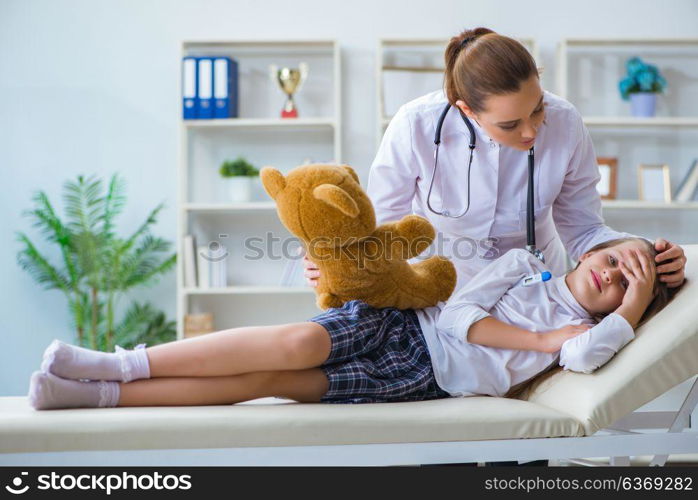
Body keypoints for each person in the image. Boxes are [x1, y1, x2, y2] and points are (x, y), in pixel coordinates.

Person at [28, 237, 672, 416]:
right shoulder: (521, 264)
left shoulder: (593, 331)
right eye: (614, 259)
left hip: (421, 377)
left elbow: (587, 359)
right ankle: (118, 363)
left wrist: (629, 312)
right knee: (300, 340)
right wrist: (537, 342)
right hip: (404, 326)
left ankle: (93, 394)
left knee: (271, 381)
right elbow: (456, 313)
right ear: (589, 250)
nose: (613, 276)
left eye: (627, 281)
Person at [302, 27, 686, 297]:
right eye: (510, 124)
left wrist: (644, 251)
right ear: (466, 110)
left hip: (536, 289)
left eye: (537, 111)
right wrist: (341, 263)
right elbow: (385, 226)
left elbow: (583, 230)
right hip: (442, 286)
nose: (531, 132)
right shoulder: (415, 125)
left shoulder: (566, 121)